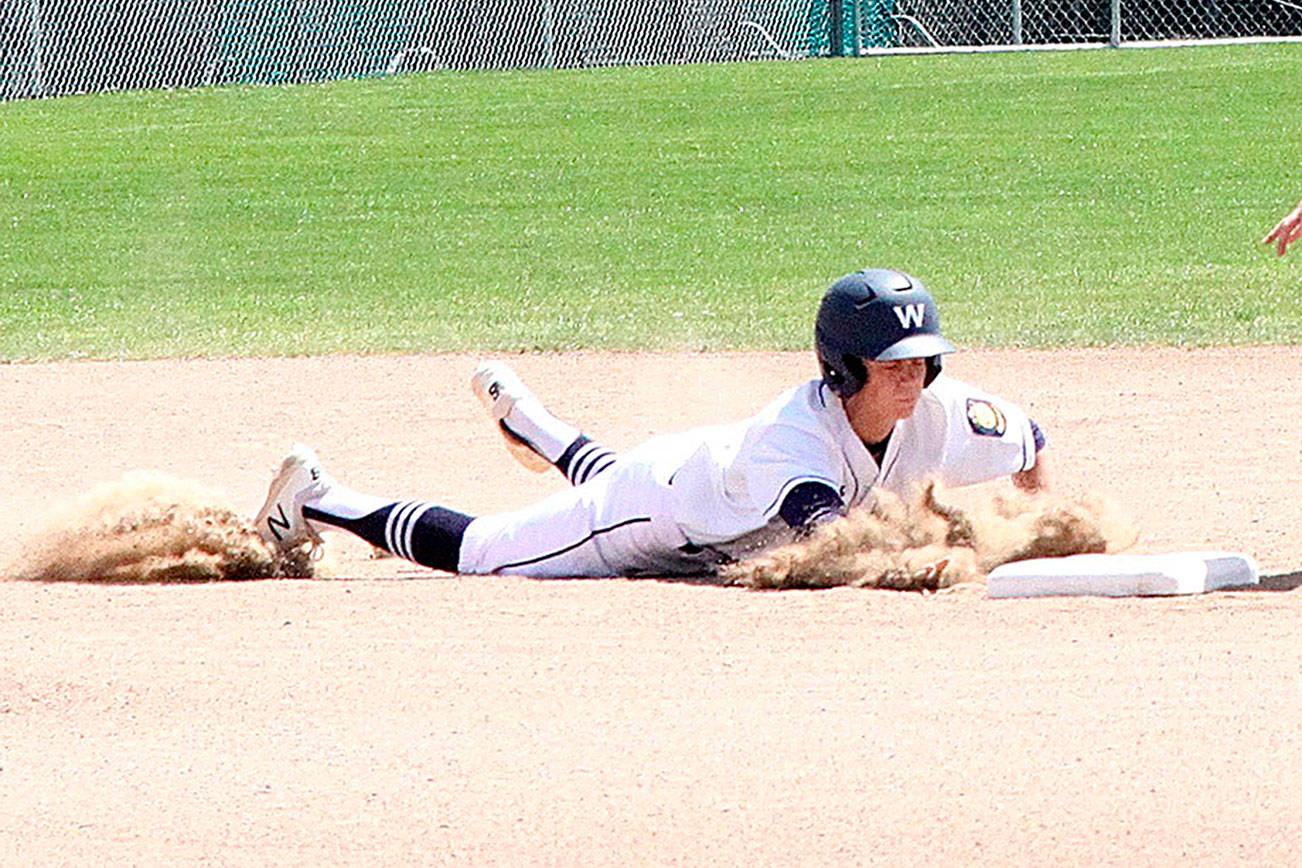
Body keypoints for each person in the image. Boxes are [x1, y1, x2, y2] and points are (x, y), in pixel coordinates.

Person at [254, 268, 1050, 578]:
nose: (913, 373)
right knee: (484, 553)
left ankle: (530, 419)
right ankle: (317, 497)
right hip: (656, 513)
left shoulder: (942, 412)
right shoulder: (794, 443)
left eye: (923, 359)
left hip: (696, 475)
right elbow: (837, 542)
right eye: (893, 361)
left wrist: (1035, 517)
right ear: (845, 368)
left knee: (605, 480)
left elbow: (1031, 444)